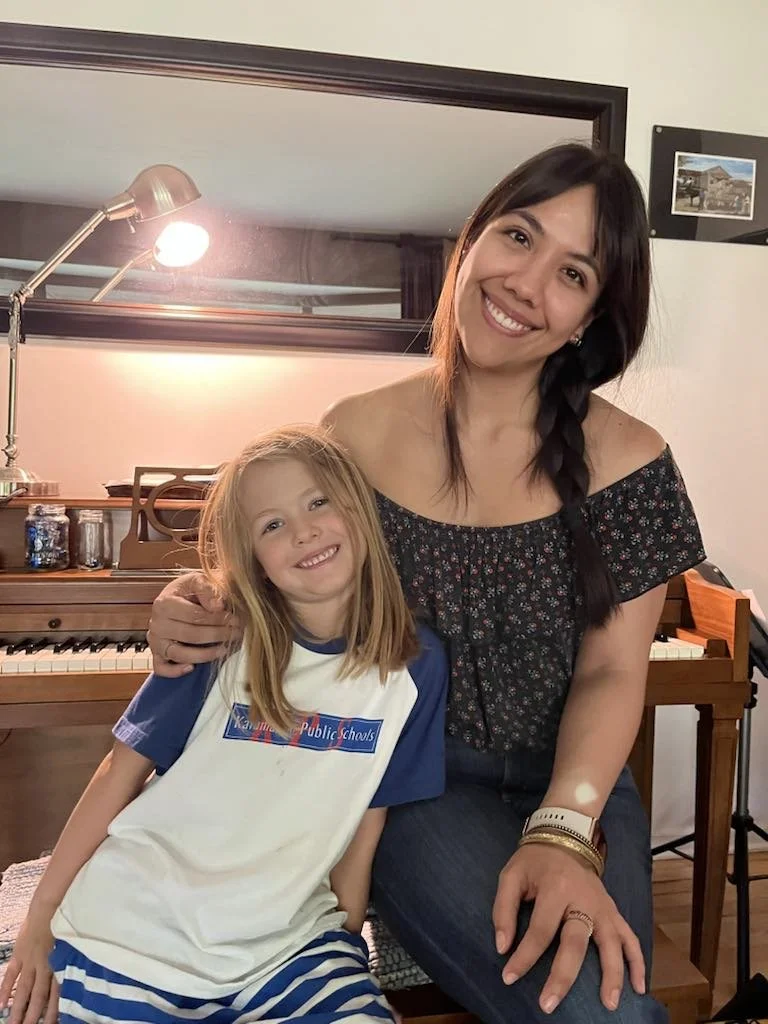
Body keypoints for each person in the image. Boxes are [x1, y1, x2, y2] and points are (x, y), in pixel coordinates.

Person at [144, 143, 706, 1024]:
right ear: (471, 241)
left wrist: (565, 829)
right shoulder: (352, 433)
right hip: (412, 784)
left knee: (608, 1003)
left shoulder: (633, 462)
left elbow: (611, 671)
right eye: (518, 236)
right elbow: (284, 597)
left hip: (581, 781)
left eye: (573, 273)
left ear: (590, 318)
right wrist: (190, 609)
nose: (526, 283)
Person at [0, 427, 448, 1024]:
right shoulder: (214, 634)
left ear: (358, 507)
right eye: (272, 525)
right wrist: (39, 921)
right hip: (134, 930)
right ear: (252, 557)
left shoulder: (417, 663)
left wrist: (345, 937)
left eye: (318, 502)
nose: (304, 532)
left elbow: (368, 815)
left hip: (287, 947)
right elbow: (118, 773)